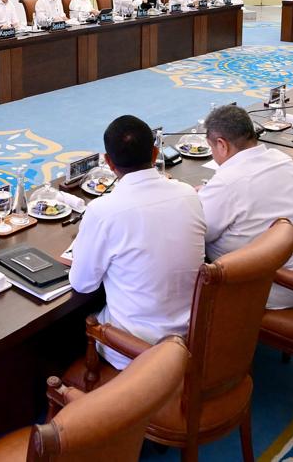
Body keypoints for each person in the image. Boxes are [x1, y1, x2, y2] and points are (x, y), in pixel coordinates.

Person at [68, 115, 206, 370]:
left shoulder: (103, 210)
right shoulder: (188, 194)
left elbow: (83, 284)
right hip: (191, 336)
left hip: (135, 351)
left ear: (108, 162)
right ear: (155, 154)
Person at [197, 105, 293, 309]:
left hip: (282, 287)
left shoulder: (227, 182)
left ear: (221, 144)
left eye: (211, 148)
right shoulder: (282, 159)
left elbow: (199, 234)